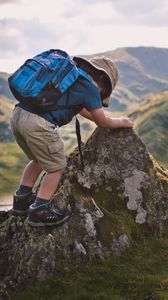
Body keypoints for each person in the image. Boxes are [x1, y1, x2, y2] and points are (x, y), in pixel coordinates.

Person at [10, 54, 133, 228]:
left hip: (18, 115)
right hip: (38, 124)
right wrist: (121, 121)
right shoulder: (90, 88)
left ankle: (21, 201)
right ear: (104, 84)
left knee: (37, 159)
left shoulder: (71, 78)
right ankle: (39, 211)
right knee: (57, 168)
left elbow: (84, 111)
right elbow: (102, 121)